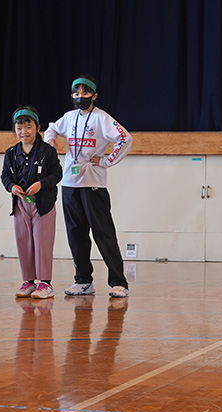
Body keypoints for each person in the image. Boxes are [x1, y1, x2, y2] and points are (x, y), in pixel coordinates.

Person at [44, 76, 132, 298]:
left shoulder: (102, 118)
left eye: (85, 93)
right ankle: (83, 280)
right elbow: (51, 129)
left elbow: (125, 138)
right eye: (76, 93)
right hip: (69, 183)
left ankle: (118, 282)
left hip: (93, 183)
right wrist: (50, 140)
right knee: (76, 234)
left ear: (94, 96)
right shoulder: (69, 117)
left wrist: (106, 161)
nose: (80, 97)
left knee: (103, 233)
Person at [1, 106, 63, 299]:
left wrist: (41, 184)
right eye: (19, 128)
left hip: (42, 205)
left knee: (42, 242)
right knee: (24, 242)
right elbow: (5, 176)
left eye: (28, 127)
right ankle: (28, 281)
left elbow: (57, 174)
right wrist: (12, 187)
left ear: (37, 128)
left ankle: (45, 283)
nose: (24, 132)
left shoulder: (47, 151)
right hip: (21, 204)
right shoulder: (11, 153)